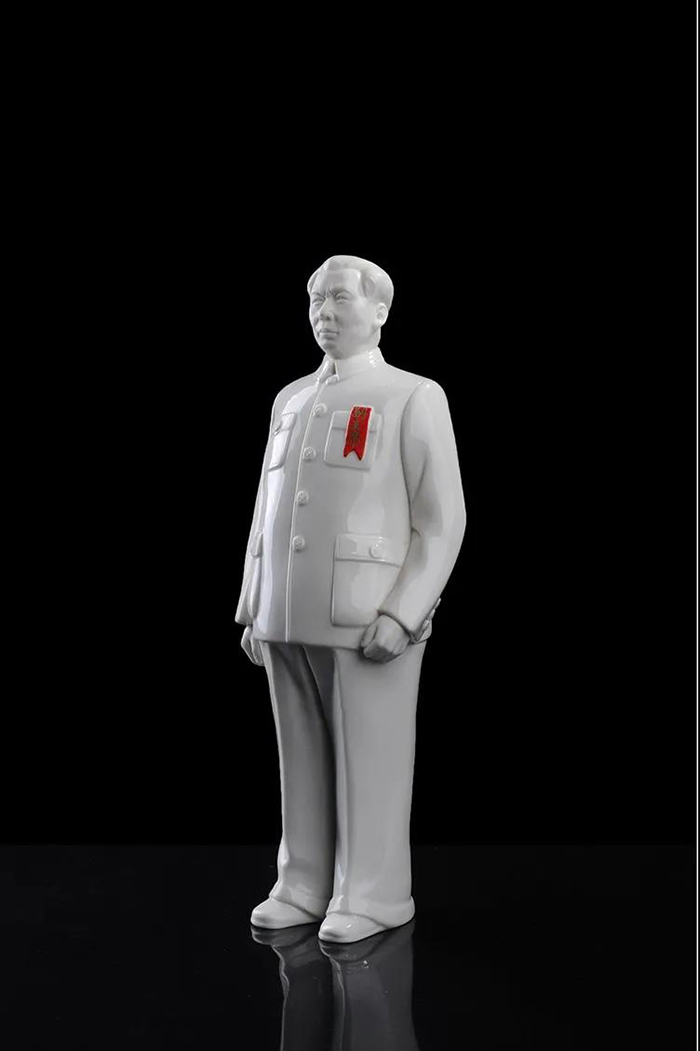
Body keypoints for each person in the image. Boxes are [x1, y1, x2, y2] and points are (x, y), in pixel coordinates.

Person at [236, 254, 466, 943]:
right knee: (300, 754)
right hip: (286, 610)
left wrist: (405, 610)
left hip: (368, 614)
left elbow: (443, 519)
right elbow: (266, 508)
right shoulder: (289, 400)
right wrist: (252, 603)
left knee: (372, 758)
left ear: (380, 310)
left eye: (339, 298)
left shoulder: (412, 395)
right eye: (315, 300)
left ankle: (373, 893)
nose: (324, 313)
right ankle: (303, 880)